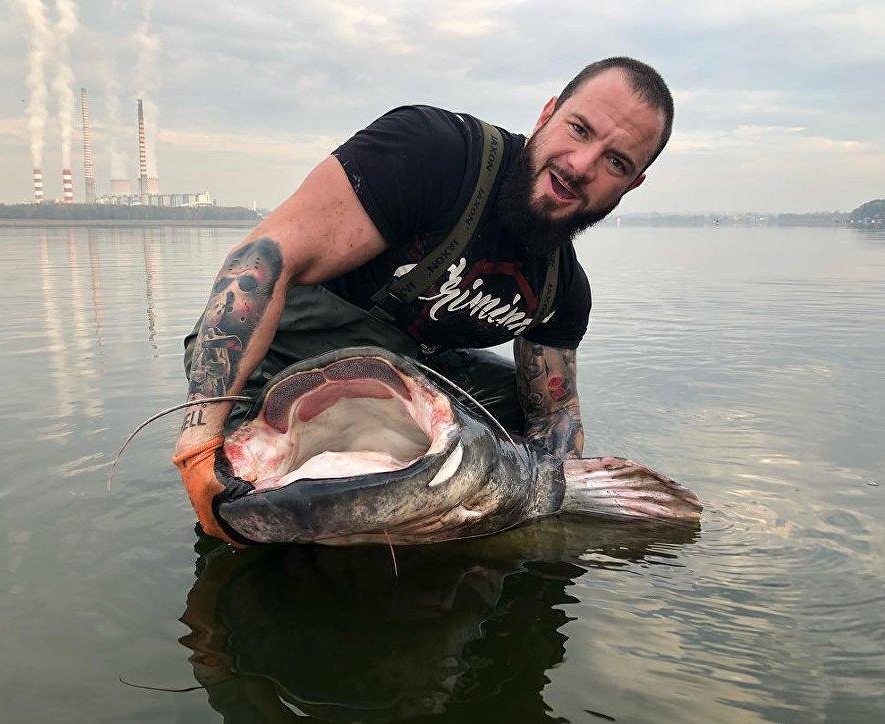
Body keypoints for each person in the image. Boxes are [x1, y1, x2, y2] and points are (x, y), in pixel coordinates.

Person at [173, 56, 674, 544]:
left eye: (616, 162)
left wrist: (536, 494)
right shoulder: (438, 154)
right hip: (274, 373)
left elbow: (554, 417)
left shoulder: (563, 291)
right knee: (247, 509)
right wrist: (199, 443)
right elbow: (263, 261)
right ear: (547, 114)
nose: (581, 166)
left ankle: (434, 508)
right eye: (579, 129)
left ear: (632, 184)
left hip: (398, 390)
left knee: (513, 402)